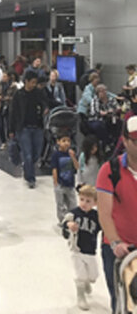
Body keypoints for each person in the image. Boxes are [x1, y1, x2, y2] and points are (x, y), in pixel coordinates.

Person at [97, 116, 137, 313]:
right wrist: (115, 243)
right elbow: (104, 214)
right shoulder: (110, 171)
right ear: (125, 141)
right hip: (120, 250)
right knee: (121, 300)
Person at [62, 185, 101, 311]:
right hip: (77, 249)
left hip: (90, 251)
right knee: (80, 274)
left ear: (95, 203)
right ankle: (80, 295)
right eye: (82, 199)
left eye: (88, 201)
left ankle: (87, 282)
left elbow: (104, 226)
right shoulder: (74, 213)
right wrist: (69, 225)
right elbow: (64, 223)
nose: (84, 203)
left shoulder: (96, 216)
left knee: (93, 275)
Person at [9, 71, 48, 188]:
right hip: (23, 128)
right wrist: (11, 130)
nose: (34, 85)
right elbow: (13, 113)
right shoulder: (19, 95)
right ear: (26, 81)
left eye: (35, 82)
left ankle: (27, 167)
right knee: (28, 154)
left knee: (36, 153)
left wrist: (45, 108)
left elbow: (46, 102)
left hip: (38, 127)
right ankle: (30, 178)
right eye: (32, 82)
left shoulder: (39, 93)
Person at [51, 132, 79, 223]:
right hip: (60, 183)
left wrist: (73, 157)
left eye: (68, 141)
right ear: (58, 142)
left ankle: (73, 219)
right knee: (61, 204)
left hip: (70, 183)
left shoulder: (71, 154)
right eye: (63, 141)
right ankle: (62, 220)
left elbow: (77, 167)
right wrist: (55, 183)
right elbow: (54, 169)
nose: (66, 143)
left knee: (72, 203)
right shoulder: (56, 155)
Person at [0, 71, 12, 150]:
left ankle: (9, 139)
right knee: (0, 126)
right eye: (2, 76)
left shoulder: (12, 86)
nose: (3, 78)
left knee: (8, 125)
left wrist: (9, 98)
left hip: (8, 107)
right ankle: (3, 142)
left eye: (5, 76)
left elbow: (15, 96)